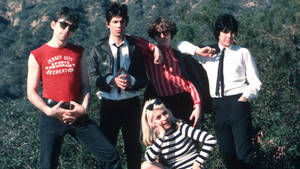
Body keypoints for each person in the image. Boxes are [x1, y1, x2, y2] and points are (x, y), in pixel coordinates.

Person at [27, 7, 122, 169]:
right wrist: (49, 111)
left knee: (110, 155)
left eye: (72, 28)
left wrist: (84, 108)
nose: (67, 30)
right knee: (47, 165)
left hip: (76, 111)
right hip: (52, 113)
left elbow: (85, 85)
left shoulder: (77, 52)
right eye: (63, 25)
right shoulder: (37, 54)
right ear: (53, 24)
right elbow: (31, 92)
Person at [176, 13, 262, 169]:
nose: (230, 36)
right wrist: (198, 51)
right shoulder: (209, 53)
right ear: (218, 32)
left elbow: (255, 82)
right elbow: (180, 45)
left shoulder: (243, 52)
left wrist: (245, 97)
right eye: (225, 32)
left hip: (238, 103)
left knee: (244, 154)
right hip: (218, 106)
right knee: (227, 154)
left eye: (233, 32)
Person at [88, 2, 161, 169]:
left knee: (134, 148)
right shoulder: (98, 49)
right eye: (115, 21)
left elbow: (143, 79)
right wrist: (110, 81)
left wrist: (132, 81)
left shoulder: (135, 48)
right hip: (108, 104)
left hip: (131, 104)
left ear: (126, 23)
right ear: (108, 24)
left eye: (122, 21)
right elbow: (92, 77)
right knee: (107, 149)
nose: (119, 25)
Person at [133, 17, 215, 127]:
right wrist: (153, 48)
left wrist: (197, 104)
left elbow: (188, 82)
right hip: (164, 103)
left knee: (191, 138)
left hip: (185, 99)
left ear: (171, 33)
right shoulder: (149, 54)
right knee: (169, 140)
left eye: (166, 33)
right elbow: (131, 39)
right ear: (154, 36)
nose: (163, 36)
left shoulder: (178, 54)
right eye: (158, 34)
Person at [140, 99, 217, 169]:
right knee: (146, 166)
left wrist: (198, 163)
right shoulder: (156, 139)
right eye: (158, 117)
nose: (164, 118)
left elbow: (210, 139)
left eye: (165, 113)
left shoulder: (180, 127)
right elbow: (149, 159)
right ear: (151, 123)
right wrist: (161, 136)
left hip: (192, 167)